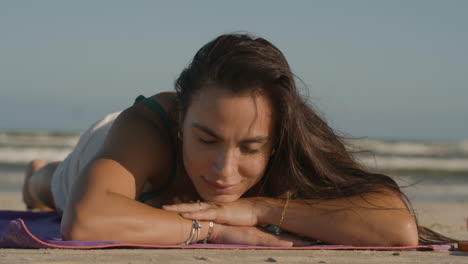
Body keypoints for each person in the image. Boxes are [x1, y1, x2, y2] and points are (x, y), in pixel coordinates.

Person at [23, 33, 437, 247]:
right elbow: (85, 219)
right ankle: (35, 175)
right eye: (207, 140)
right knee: (56, 186)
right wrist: (213, 229)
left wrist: (259, 208)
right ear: (184, 120)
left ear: (274, 140)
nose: (224, 170)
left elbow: (398, 227)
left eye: (250, 148)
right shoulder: (147, 127)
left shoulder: (284, 131)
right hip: (106, 147)